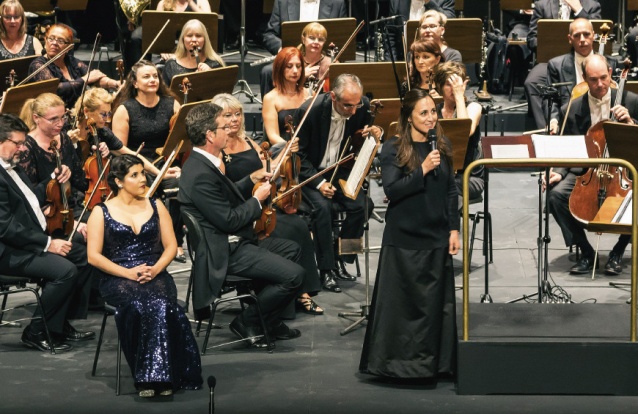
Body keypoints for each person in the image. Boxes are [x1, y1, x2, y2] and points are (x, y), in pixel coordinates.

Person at [178, 102, 304, 347]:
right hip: (224, 251)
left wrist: (251, 179)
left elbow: (225, 197)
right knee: (294, 277)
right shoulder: (199, 174)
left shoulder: (205, 162)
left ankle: (268, 319)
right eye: (224, 127)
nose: (230, 130)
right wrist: (257, 199)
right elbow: (228, 220)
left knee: (292, 249)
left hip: (233, 241)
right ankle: (248, 320)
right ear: (210, 135)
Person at [359, 88, 460, 379]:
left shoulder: (442, 144)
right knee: (401, 308)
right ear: (409, 117)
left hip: (436, 235)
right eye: (424, 113)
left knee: (432, 309)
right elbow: (392, 190)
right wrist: (423, 170)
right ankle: (395, 366)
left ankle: (434, 365)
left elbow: (451, 191)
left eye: (433, 111)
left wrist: (454, 228)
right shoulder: (393, 148)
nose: (431, 118)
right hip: (404, 238)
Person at [86, 154, 203, 398]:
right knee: (140, 304)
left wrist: (156, 268)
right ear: (119, 181)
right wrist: (128, 272)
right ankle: (151, 377)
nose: (143, 179)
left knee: (161, 303)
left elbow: (171, 246)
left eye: (143, 173)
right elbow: (94, 257)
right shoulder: (101, 211)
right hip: (118, 276)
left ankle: (161, 374)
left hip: (155, 272)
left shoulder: (156, 205)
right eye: (135, 175)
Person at [212, 92, 323, 313]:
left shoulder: (248, 141)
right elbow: (226, 191)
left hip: (263, 207)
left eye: (238, 114)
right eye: (228, 115)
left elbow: (268, 170)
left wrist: (283, 155)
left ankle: (302, 290)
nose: (235, 119)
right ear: (216, 119)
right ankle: (292, 293)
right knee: (288, 230)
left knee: (299, 225)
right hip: (244, 213)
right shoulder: (217, 151)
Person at [0, 113, 94, 353]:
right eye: (17, 143)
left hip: (24, 242)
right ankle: (36, 331)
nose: (22, 148)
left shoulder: (11, 167)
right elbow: (5, 227)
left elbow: (30, 199)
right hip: (7, 251)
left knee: (83, 256)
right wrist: (47, 243)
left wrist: (53, 179)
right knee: (65, 270)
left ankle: (58, 324)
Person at [548, 54, 637, 275]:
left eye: (604, 78)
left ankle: (618, 251)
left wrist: (631, 123)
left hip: (623, 169)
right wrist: (557, 172)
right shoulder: (572, 108)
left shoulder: (632, 101)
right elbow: (566, 145)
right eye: (593, 80)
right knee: (556, 195)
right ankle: (587, 252)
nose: (600, 85)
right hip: (587, 170)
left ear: (610, 72)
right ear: (585, 79)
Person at [294, 74, 382, 292]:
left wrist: (377, 133)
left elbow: (361, 138)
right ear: (333, 97)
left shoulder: (361, 108)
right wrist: (320, 183)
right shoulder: (309, 112)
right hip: (311, 174)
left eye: (356, 105)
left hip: (340, 169)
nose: (353, 111)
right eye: (347, 106)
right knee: (322, 208)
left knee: (364, 206)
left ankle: (343, 255)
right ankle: (326, 269)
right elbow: (300, 157)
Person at [111, 60, 187, 263]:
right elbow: (121, 150)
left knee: (181, 186)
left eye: (155, 76)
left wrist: (174, 166)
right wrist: (151, 169)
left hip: (167, 160)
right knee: (144, 186)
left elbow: (180, 138)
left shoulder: (171, 104)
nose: (152, 79)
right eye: (146, 76)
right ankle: (150, 242)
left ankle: (176, 242)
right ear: (134, 83)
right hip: (136, 164)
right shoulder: (125, 109)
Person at [67, 87, 181, 182]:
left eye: (108, 114)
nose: (107, 119)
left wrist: (160, 173)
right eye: (103, 114)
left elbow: (132, 155)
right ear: (86, 111)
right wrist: (69, 144)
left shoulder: (102, 132)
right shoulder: (66, 130)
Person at [523, 3, 601, 130]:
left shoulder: (591, 5)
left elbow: (596, 28)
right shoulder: (542, 5)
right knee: (532, 82)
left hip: (587, 57)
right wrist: (551, 43)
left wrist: (579, 9)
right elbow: (532, 39)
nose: (582, 39)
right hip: (549, 60)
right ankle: (548, 128)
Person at [18, 93, 90, 224]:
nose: (60, 124)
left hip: (73, 206)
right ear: (36, 118)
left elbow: (81, 182)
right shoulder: (26, 149)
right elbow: (31, 197)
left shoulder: (64, 139)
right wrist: (72, 224)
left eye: (63, 117)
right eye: (54, 119)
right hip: (49, 215)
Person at [260, 0, 347, 98]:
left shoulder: (337, 3)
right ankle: (270, 110)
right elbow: (269, 34)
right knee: (267, 71)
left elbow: (343, 37)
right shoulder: (283, 2)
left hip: (323, 58)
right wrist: (283, 50)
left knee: (339, 72)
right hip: (292, 58)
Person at [546, 18, 616, 134]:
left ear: (593, 36)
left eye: (586, 34)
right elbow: (552, 99)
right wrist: (553, 120)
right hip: (573, 127)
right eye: (577, 36)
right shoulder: (556, 65)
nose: (582, 39)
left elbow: (618, 96)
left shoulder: (611, 63)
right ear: (570, 39)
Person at [28, 24, 121, 108]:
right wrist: (84, 80)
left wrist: (115, 83)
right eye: (51, 38)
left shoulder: (71, 62)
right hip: (51, 115)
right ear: (45, 40)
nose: (54, 43)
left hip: (76, 112)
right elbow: (56, 89)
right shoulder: (38, 65)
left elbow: (94, 77)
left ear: (69, 47)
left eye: (60, 40)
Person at [432, 61, 483, 207]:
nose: (454, 89)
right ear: (440, 86)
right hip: (440, 173)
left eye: (457, 84)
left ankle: (451, 228)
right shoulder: (434, 111)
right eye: (449, 84)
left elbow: (465, 131)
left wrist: (460, 97)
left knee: (447, 190)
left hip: (469, 177)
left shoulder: (474, 107)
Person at [261, 21, 331, 99]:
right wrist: (302, 77)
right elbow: (283, 88)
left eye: (320, 39)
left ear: (324, 42)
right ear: (303, 39)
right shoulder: (294, 60)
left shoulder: (330, 63)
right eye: (312, 38)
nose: (316, 42)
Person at [262, 47, 309, 147]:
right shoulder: (270, 98)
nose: (295, 71)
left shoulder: (308, 94)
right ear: (280, 69)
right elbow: (273, 136)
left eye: (298, 66)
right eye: (289, 66)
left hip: (307, 149)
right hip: (283, 151)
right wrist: (289, 146)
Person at [161, 19, 225, 86]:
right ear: (183, 39)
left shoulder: (215, 64)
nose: (194, 40)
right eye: (189, 35)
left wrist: (210, 75)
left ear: (205, 40)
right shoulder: (171, 64)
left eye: (198, 36)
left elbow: (223, 92)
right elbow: (164, 93)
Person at [387, 0, 456, 61]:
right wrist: (392, 63)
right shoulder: (397, 1)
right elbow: (391, 33)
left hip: (439, 58)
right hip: (405, 59)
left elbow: (450, 23)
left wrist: (429, 2)